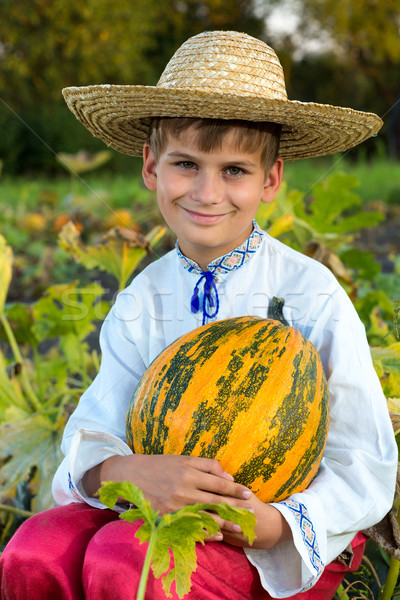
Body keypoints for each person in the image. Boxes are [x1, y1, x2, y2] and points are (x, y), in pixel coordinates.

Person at [0, 30, 397, 600]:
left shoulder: (311, 292)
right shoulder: (143, 296)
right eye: (186, 164)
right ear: (150, 167)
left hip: (268, 527)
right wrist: (124, 471)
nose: (207, 192)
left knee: (126, 560)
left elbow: (363, 459)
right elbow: (100, 423)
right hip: (157, 503)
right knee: (34, 550)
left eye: (234, 170)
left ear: (272, 180)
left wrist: (274, 524)